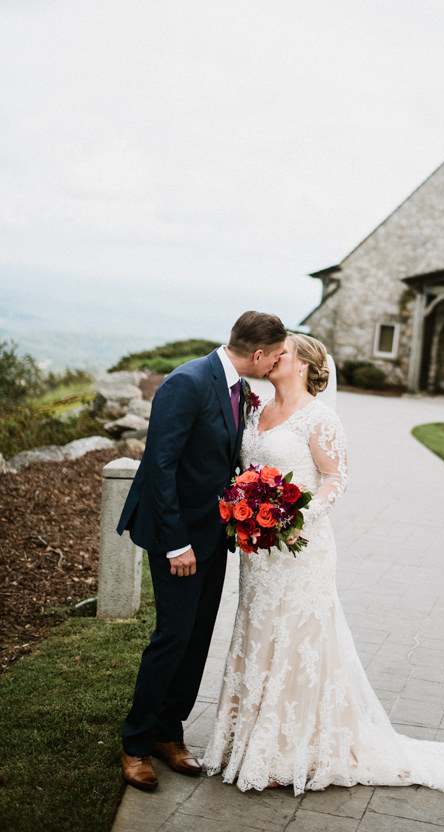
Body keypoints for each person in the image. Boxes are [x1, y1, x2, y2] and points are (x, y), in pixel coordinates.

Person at [203, 333, 444, 803]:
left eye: (282, 351)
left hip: (301, 545)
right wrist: (245, 506)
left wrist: (298, 517)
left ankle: (288, 753)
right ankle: (245, 741)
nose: (274, 355)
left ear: (303, 364)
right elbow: (244, 470)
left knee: (296, 639)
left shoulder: (320, 417)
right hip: (258, 550)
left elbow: (335, 478)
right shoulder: (255, 408)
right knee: (257, 633)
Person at [117, 310, 287, 792]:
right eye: (274, 356)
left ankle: (170, 734)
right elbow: (160, 466)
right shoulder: (187, 383)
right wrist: (176, 544)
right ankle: (135, 744)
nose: (276, 364)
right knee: (172, 637)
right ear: (257, 354)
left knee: (196, 639)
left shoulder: (240, 389)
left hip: (214, 537)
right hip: (179, 538)